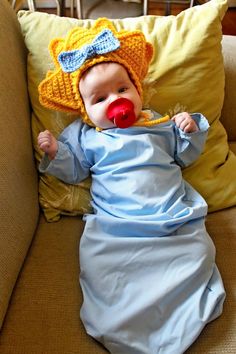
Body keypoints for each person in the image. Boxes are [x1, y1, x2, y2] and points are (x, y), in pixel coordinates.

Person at [37, 18, 225, 354]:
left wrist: (189, 128)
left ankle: (181, 305)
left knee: (196, 253)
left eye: (122, 89)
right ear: (85, 111)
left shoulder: (158, 124)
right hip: (118, 229)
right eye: (100, 98)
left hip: (170, 219)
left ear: (137, 90)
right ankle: (123, 322)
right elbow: (75, 170)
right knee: (104, 269)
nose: (115, 102)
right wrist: (55, 152)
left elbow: (185, 156)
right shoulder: (88, 137)